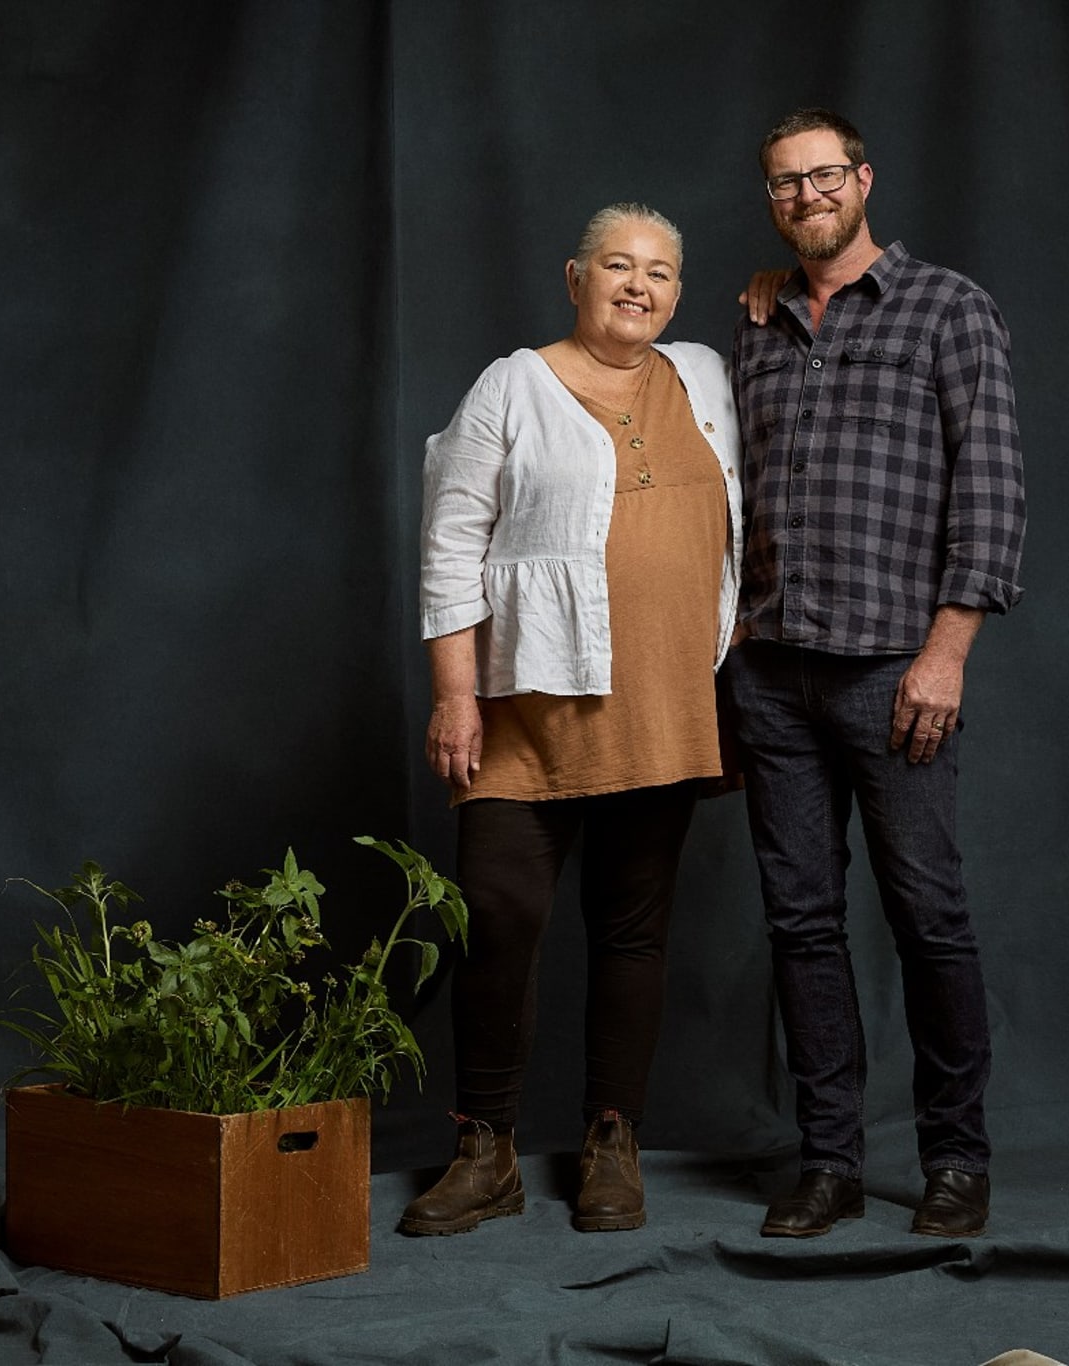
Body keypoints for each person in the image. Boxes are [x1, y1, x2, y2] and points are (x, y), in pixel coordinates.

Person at [403, 203, 742, 1236]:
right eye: (615, 265)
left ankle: (610, 1141)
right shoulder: (510, 383)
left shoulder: (705, 376)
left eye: (658, 272)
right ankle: (485, 1146)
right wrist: (455, 692)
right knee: (499, 918)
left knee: (631, 931)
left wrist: (768, 287)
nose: (636, 285)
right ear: (573, 276)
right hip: (526, 708)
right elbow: (450, 536)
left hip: (664, 699)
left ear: (678, 293)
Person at [723, 109, 1026, 1239]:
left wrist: (944, 652)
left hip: (891, 672)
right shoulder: (755, 323)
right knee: (800, 924)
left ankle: (954, 1159)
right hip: (771, 675)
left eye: (820, 177)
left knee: (926, 916)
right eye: (781, 185)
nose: (803, 196)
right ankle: (828, 1162)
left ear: (862, 180)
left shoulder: (948, 310)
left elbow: (989, 494)